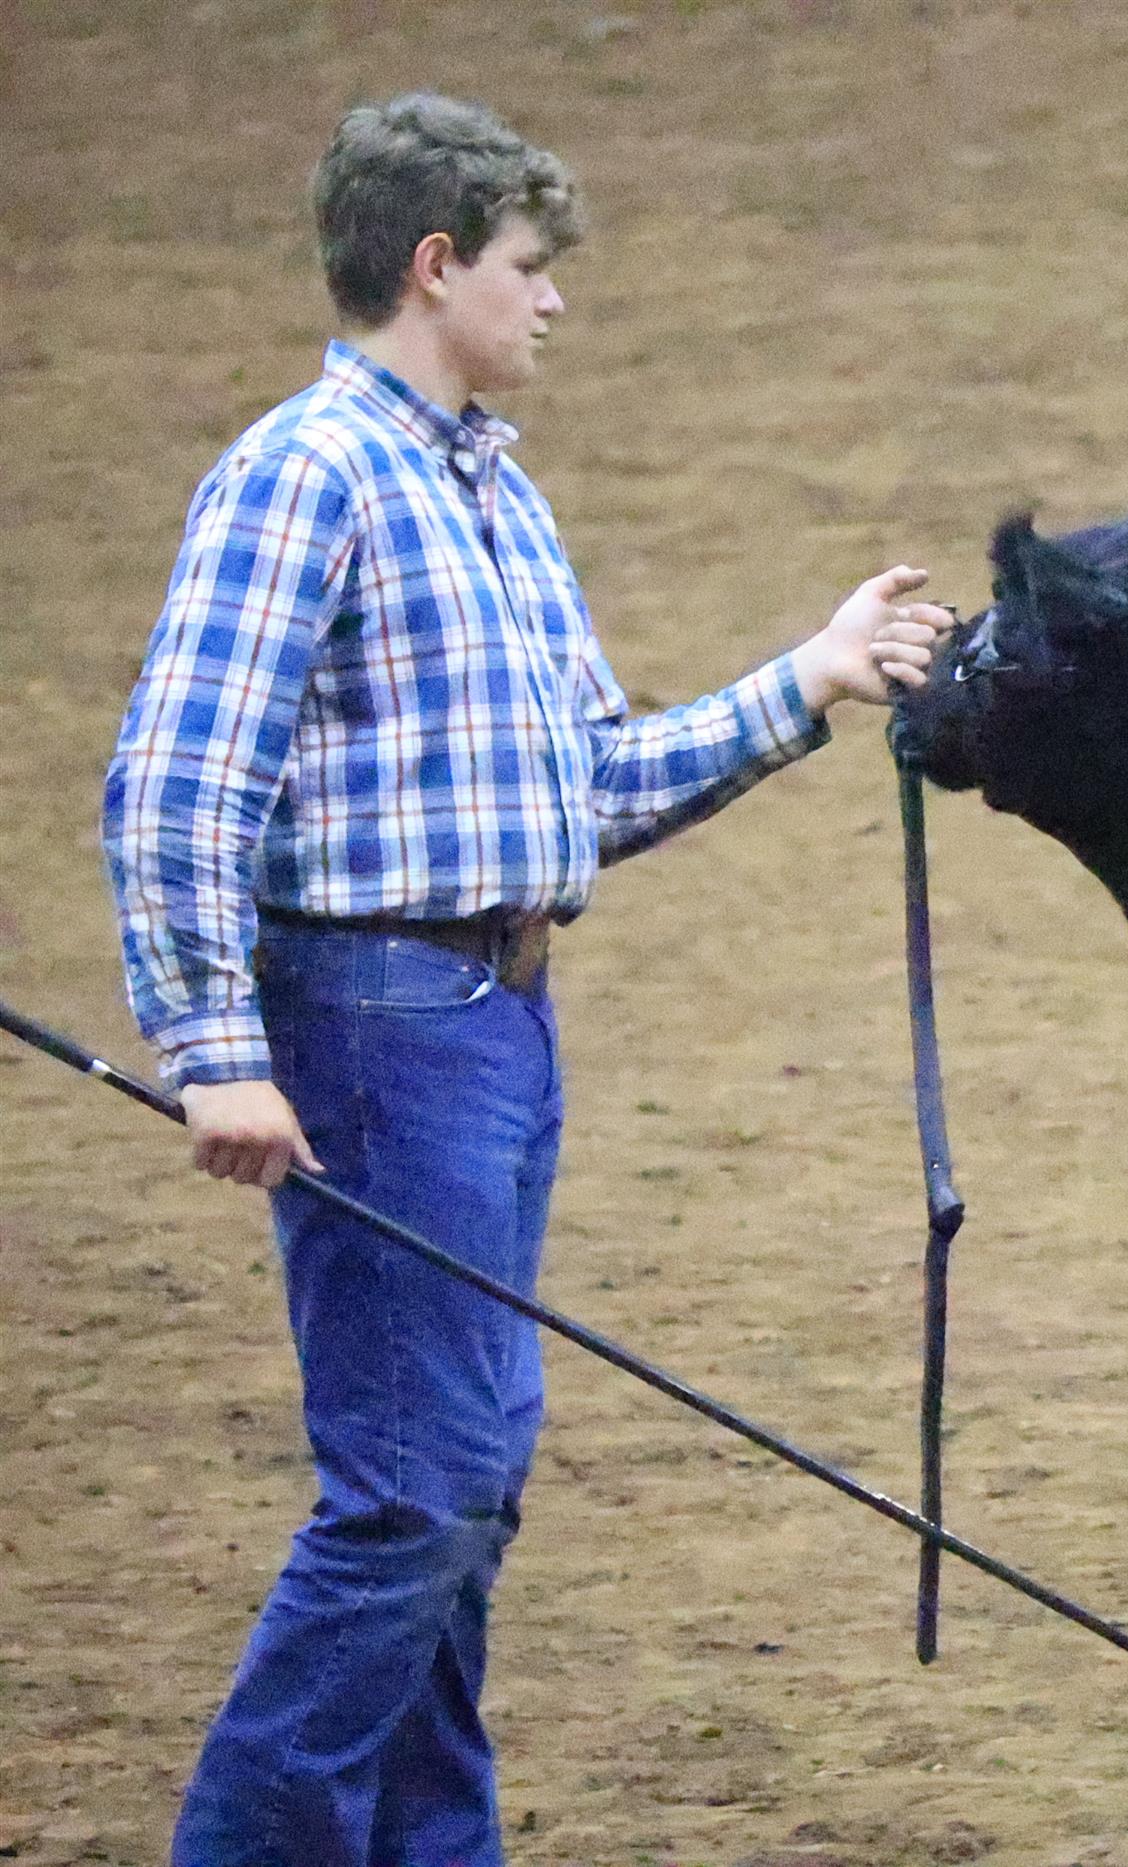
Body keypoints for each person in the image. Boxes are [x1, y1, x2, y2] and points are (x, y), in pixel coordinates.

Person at [100, 92, 946, 1865]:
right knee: (418, 1494)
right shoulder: (305, 475)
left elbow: (585, 791)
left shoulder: (495, 494)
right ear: (436, 266)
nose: (553, 298)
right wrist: (212, 1046)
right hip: (374, 1029)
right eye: (529, 265)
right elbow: (178, 783)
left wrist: (808, 677)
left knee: (466, 1490)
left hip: (495, 1028)